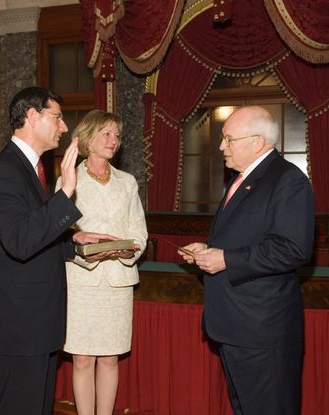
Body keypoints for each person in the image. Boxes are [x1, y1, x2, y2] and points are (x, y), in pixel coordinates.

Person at [0, 87, 113, 415]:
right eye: (57, 117)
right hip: (19, 328)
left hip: (36, 324)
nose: (64, 127)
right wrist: (66, 193)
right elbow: (19, 242)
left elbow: (35, 236)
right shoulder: (4, 172)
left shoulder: (29, 169)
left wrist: (75, 246)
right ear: (32, 116)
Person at [178, 106, 314, 415]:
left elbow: (293, 248)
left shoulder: (288, 180)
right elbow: (245, 238)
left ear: (257, 141)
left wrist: (226, 259)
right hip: (235, 324)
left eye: (228, 138)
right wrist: (208, 249)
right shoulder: (241, 179)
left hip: (261, 330)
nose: (221, 146)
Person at [56, 110, 147, 415]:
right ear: (87, 139)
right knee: (82, 359)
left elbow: (139, 230)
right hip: (82, 282)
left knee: (110, 358)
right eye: (106, 134)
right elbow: (60, 233)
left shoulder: (127, 182)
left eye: (117, 135)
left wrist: (128, 249)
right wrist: (89, 253)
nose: (114, 141)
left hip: (118, 282)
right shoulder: (69, 180)